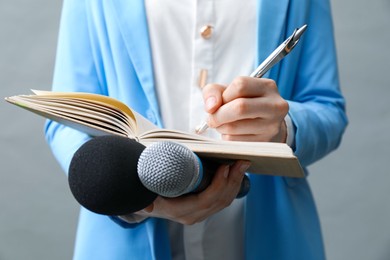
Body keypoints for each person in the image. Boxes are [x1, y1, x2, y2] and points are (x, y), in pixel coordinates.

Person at [45, 0, 348, 259]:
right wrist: (132, 198)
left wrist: (280, 130)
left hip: (271, 234)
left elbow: (328, 110)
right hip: (124, 242)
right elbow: (64, 122)